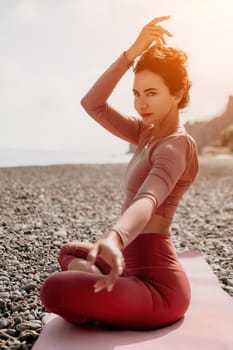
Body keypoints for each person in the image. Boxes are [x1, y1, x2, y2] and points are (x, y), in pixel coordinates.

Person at [40, 16, 199, 330]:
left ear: (177, 94)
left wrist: (114, 238)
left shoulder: (175, 146)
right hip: (127, 262)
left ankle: (114, 301)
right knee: (70, 251)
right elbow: (93, 103)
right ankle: (113, 296)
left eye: (151, 93)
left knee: (55, 288)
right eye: (136, 94)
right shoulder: (145, 133)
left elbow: (147, 199)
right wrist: (131, 54)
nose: (141, 103)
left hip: (159, 288)